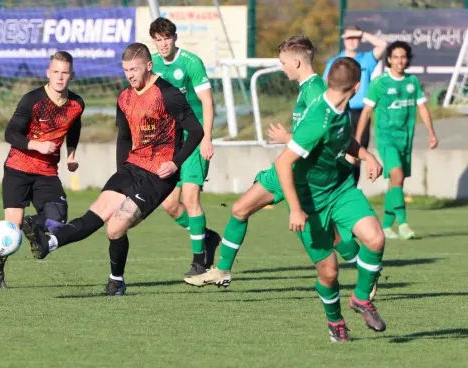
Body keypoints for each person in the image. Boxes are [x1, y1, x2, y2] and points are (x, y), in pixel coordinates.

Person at [24, 42, 204, 296]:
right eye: (125, 70)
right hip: (131, 169)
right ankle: (49, 243)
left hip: (158, 175)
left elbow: (196, 131)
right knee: (95, 214)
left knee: (114, 228)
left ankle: (116, 280)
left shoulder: (169, 94)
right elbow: (124, 138)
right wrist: (122, 172)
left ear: (149, 66)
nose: (130, 75)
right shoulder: (124, 97)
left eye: (134, 69)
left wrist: (175, 162)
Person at [185, 36, 361, 289]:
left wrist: (287, 138)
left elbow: (325, 134)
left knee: (328, 235)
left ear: (297, 62)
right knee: (239, 209)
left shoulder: (316, 91)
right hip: (286, 168)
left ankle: (365, 268)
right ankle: (222, 270)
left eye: (283, 63)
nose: (281, 68)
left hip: (303, 173)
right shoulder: (307, 88)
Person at [275, 57, 386, 342]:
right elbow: (282, 163)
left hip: (339, 188)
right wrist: (295, 210)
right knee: (329, 273)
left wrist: (367, 155)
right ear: (358, 86)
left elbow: (344, 138)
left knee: (375, 239)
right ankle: (335, 322)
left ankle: (361, 299)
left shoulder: (340, 106)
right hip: (310, 201)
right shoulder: (318, 120)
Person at [0, 51, 84, 289]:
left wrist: (71, 155)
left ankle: (33, 224)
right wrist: (36, 145)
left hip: (46, 172)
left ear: (71, 75)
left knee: (58, 216)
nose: (60, 78)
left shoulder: (76, 104)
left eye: (65, 73)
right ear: (48, 73)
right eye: (56, 73)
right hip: (18, 168)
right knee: (12, 227)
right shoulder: (32, 100)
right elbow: (10, 134)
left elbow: (73, 128)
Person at [149, 17, 220, 277]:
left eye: (166, 38)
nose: (162, 44)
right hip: (171, 141)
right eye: (157, 40)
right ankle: (207, 237)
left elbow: (208, 102)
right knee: (169, 204)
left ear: (174, 38)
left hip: (196, 135)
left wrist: (207, 138)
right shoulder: (153, 64)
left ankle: (199, 262)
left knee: (190, 199)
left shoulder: (191, 63)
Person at [355, 41, 438, 240]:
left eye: (404, 57)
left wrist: (432, 133)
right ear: (389, 59)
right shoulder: (379, 83)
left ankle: (385, 226)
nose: (400, 61)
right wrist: (357, 142)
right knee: (397, 175)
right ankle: (403, 224)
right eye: (396, 57)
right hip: (386, 138)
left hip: (405, 139)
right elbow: (366, 112)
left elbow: (422, 108)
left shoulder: (412, 82)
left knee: (395, 182)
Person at [323, 26, 388, 185]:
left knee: (357, 152)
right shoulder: (334, 62)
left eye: (356, 38)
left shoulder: (366, 59)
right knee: (339, 151)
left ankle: (351, 188)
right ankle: (337, 187)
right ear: (343, 39)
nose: (352, 41)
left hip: (361, 113)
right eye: (349, 38)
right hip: (340, 111)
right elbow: (325, 87)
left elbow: (383, 46)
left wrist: (363, 33)